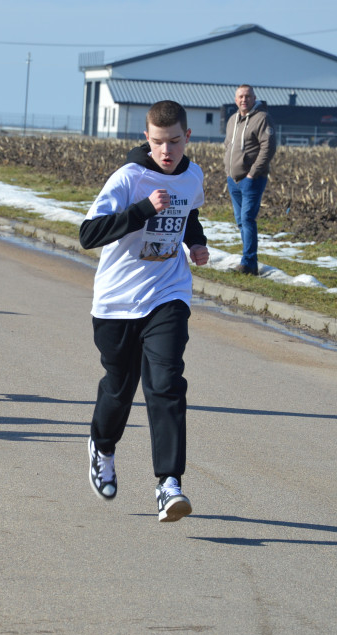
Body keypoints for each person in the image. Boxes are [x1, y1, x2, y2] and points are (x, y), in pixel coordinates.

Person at [79, 100, 209, 523]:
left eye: (174, 141)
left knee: (166, 382)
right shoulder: (128, 178)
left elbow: (189, 212)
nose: (166, 151)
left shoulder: (192, 175)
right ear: (146, 139)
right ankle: (103, 445)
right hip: (116, 301)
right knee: (120, 386)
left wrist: (196, 241)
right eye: (157, 142)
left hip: (167, 292)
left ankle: (168, 483)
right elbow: (88, 234)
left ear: (187, 138)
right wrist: (141, 211)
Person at [222, 84, 276, 276]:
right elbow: (228, 145)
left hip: (251, 179)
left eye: (247, 96)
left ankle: (249, 263)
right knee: (240, 220)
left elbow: (267, 148)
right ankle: (247, 261)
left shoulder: (262, 118)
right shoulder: (232, 120)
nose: (244, 100)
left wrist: (253, 172)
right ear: (236, 100)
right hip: (233, 179)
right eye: (240, 97)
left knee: (247, 219)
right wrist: (228, 170)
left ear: (254, 98)